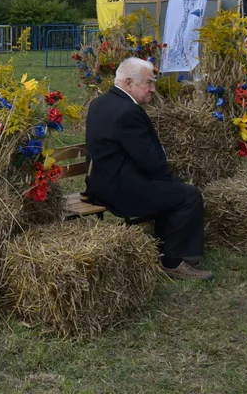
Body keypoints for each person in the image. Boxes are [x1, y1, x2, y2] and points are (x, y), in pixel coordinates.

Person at [84, 58, 213, 281]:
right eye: (148, 83)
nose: (153, 89)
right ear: (128, 82)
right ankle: (172, 262)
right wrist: (170, 178)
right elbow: (151, 162)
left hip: (100, 183)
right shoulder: (128, 112)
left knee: (172, 189)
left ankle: (169, 251)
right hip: (120, 191)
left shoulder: (100, 102)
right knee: (188, 195)